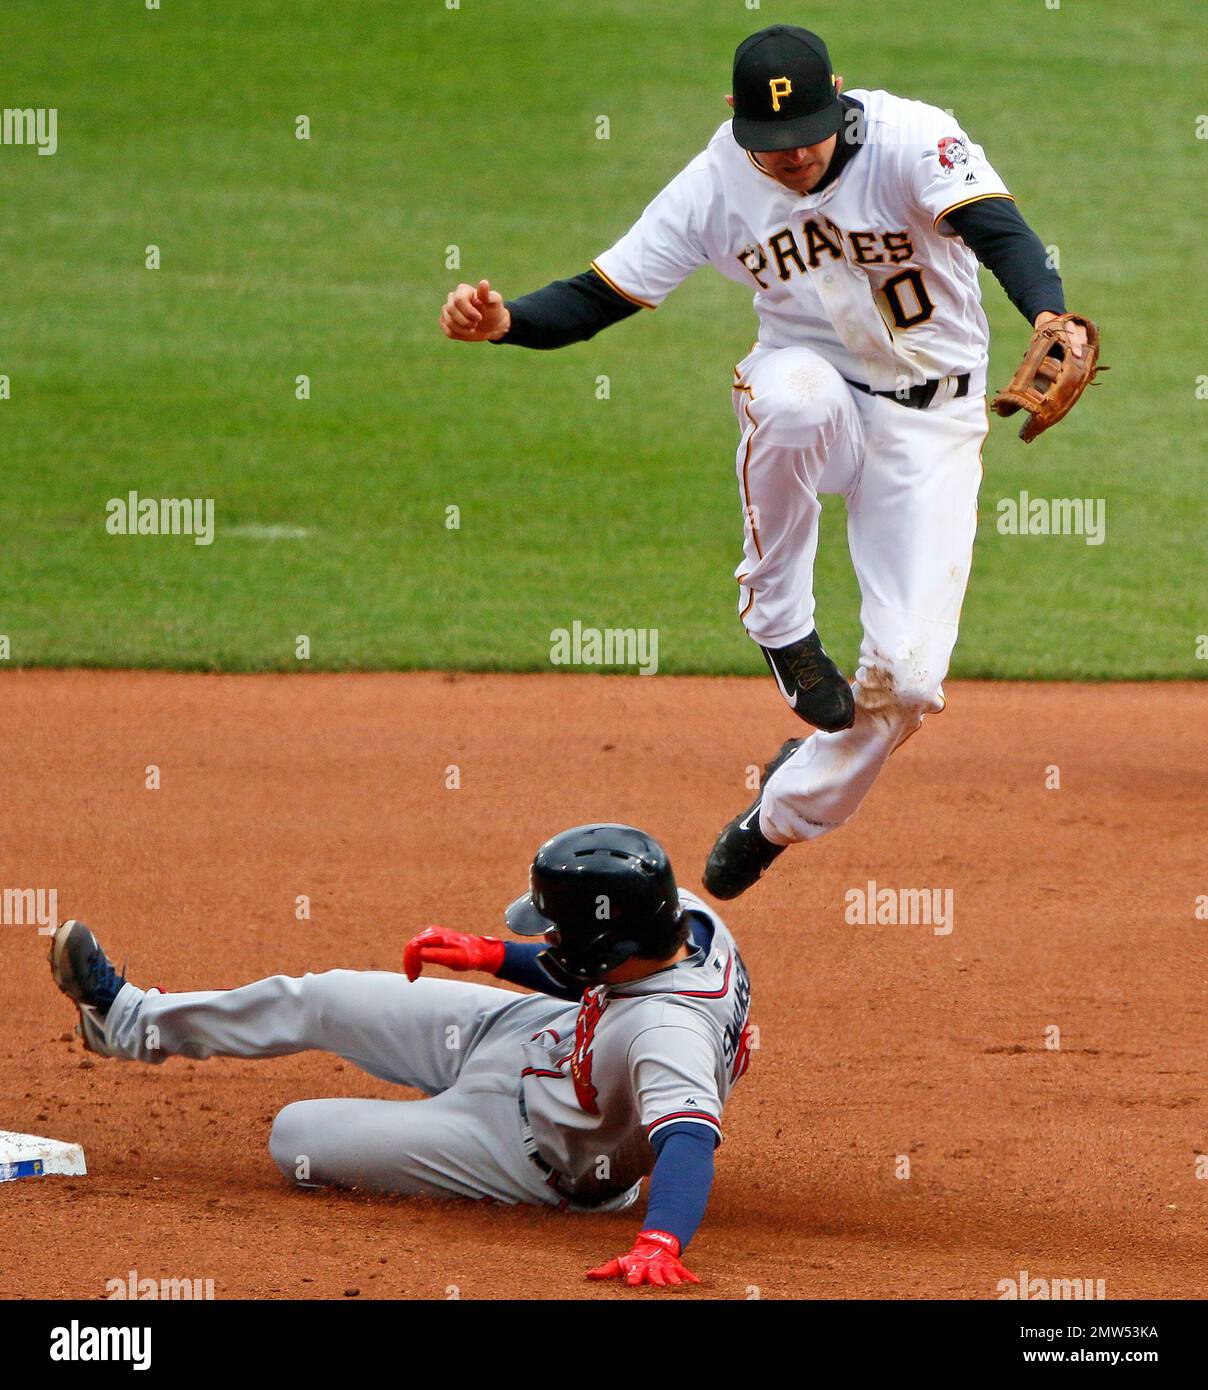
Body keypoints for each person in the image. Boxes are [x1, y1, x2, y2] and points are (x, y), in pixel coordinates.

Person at [439, 25, 1090, 898]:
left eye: (806, 139)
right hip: (814, 394)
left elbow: (1000, 230)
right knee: (793, 398)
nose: (790, 159)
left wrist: (1048, 311)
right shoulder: (716, 184)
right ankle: (780, 623)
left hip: (933, 430)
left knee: (908, 682)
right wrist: (505, 321)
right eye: (770, 145)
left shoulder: (909, 138)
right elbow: (601, 298)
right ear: (734, 120)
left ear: (841, 98)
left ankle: (782, 809)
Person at [49, 824, 754, 1288]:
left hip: (521, 1150)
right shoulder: (684, 921)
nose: (546, 943)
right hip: (527, 1032)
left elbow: (689, 1139)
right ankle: (128, 1020)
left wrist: (660, 1240)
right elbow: (588, 968)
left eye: (554, 936)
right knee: (321, 997)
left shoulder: (670, 1034)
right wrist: (493, 958)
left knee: (295, 1136)